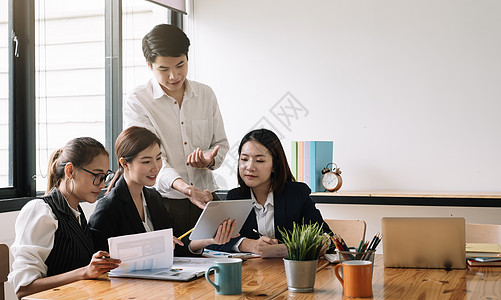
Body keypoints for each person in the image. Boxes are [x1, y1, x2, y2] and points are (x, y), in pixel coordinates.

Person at [123, 24, 229, 236]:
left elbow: (221, 143)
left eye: (180, 65)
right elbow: (148, 159)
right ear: (149, 65)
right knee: (174, 266)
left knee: (221, 258)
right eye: (163, 69)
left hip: (207, 198)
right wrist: (184, 188)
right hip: (164, 202)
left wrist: (209, 160)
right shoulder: (138, 101)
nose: (174, 76)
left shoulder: (205, 95)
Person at [89, 126, 235, 255]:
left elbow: (177, 242)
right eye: (146, 162)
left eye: (158, 158)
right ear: (125, 163)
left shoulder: (153, 197)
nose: (156, 167)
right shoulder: (108, 207)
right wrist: (153, 244)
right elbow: (99, 257)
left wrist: (210, 240)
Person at [8, 137, 121, 299]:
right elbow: (24, 289)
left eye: (105, 177)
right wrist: (85, 272)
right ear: (70, 171)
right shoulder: (40, 211)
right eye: (97, 176)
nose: (102, 185)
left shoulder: (77, 214)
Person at [210, 129, 332, 255]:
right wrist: (248, 244)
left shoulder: (296, 194)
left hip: (290, 270)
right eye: (244, 159)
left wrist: (295, 247)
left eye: (259, 161)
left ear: (275, 165)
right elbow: (213, 240)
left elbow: (327, 236)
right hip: (252, 272)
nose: (249, 167)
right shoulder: (235, 197)